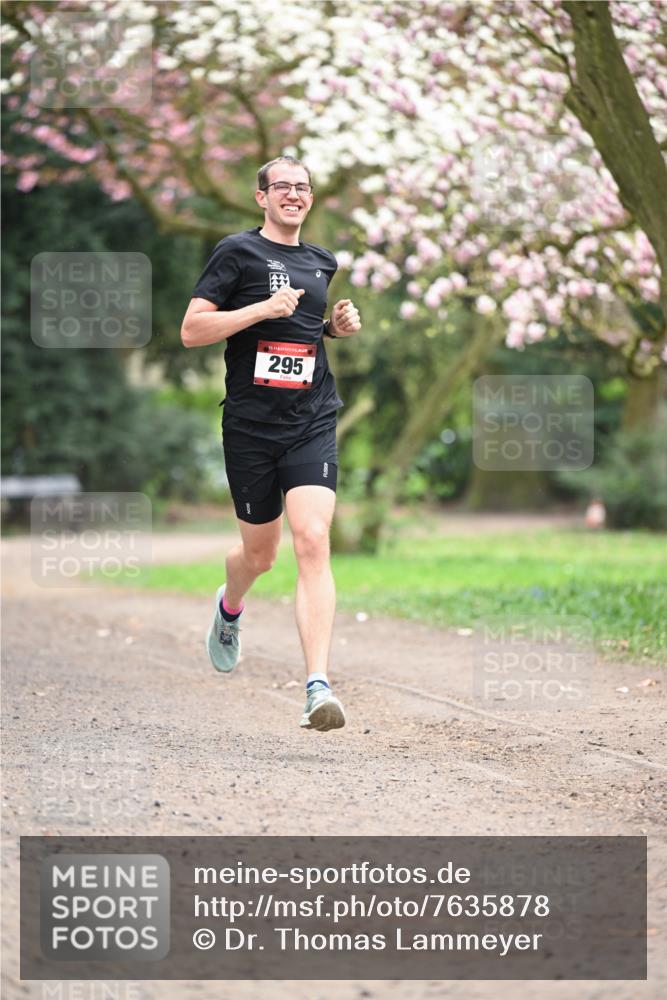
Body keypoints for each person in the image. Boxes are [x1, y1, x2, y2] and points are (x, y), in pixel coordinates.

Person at [180, 155, 361, 732]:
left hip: (311, 419)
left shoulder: (320, 261)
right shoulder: (236, 253)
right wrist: (259, 307)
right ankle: (230, 606)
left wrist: (333, 326)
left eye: (302, 187)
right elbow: (192, 331)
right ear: (261, 196)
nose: (293, 194)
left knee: (313, 538)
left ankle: (317, 686)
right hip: (251, 429)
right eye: (282, 185)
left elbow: (301, 333)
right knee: (260, 555)